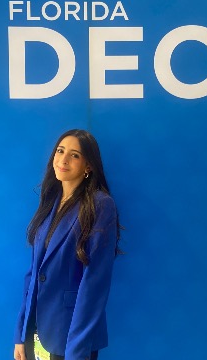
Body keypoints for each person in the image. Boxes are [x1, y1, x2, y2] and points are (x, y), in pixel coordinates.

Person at [13, 129, 121, 360]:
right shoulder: (50, 203)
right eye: (60, 151)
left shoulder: (100, 205)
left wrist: (77, 351)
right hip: (37, 332)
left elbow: (95, 284)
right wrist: (21, 333)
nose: (63, 160)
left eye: (74, 155)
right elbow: (34, 274)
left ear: (88, 165)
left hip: (70, 336)